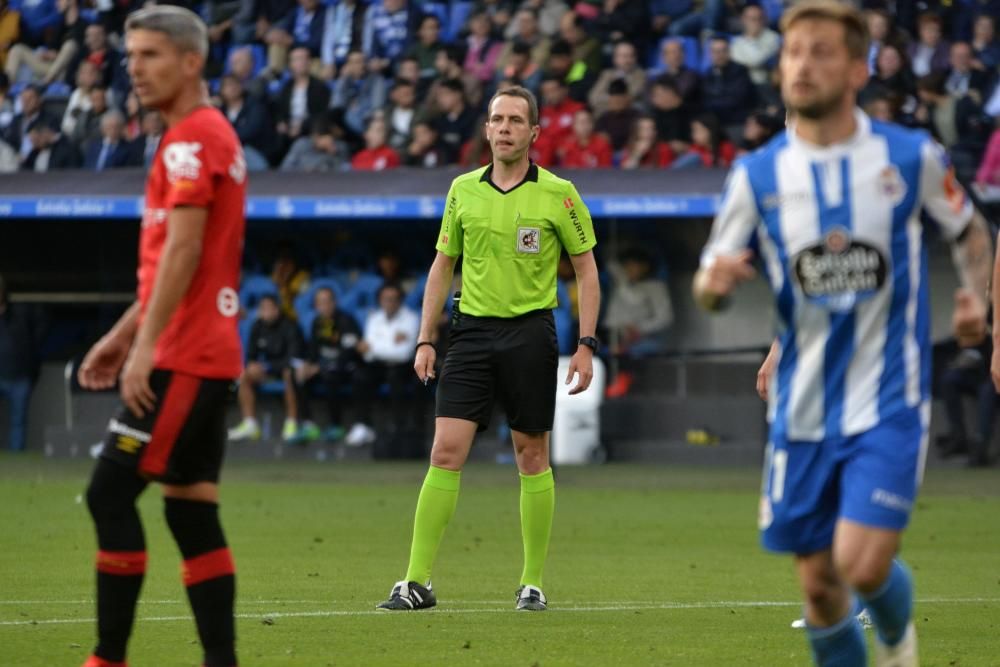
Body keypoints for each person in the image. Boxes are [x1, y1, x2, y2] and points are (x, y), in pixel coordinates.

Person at [693, 3, 993, 666]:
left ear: (858, 68)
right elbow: (709, 287)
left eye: (823, 51)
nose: (803, 63)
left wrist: (975, 297)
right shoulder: (757, 174)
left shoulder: (907, 156)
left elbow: (972, 231)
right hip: (800, 406)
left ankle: (895, 636)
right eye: (794, 50)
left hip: (889, 395)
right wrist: (715, 286)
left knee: (860, 562)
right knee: (820, 587)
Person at [376, 85, 601, 612]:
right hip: (471, 334)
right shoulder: (462, 191)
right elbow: (441, 265)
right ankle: (415, 582)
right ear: (486, 130)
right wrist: (426, 337)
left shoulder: (560, 193)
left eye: (515, 120)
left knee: (532, 455)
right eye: (497, 119)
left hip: (530, 334)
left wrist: (586, 344)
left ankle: (532, 583)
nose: (504, 128)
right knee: (445, 451)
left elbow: (588, 270)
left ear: (533, 133)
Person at [76, 7, 246, 667]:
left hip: (183, 356)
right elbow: (178, 262)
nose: (134, 69)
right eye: (129, 56)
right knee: (190, 511)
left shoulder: (189, 140)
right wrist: (124, 334)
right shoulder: (202, 135)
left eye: (149, 55)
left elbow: (183, 248)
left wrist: (143, 347)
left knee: (108, 492)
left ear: (191, 61)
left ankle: (107, 659)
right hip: (202, 351)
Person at [228, 294, 304, 443]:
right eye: (262, 308)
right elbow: (250, 355)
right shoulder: (257, 326)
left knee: (290, 373)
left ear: (277, 310)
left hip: (287, 369)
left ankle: (291, 424)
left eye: (268, 308)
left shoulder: (290, 326)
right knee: (244, 374)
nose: (265, 312)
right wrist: (252, 365)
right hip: (268, 371)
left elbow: (292, 358)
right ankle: (250, 424)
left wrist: (267, 367)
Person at [294, 286, 365, 443]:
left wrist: (320, 366)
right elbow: (313, 349)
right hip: (323, 366)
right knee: (299, 375)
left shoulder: (346, 320)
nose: (324, 306)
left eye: (327, 301)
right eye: (320, 302)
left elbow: (348, 351)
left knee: (330, 374)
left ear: (334, 302)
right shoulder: (317, 322)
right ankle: (308, 424)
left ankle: (336, 425)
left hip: (345, 368)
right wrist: (307, 365)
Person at [0, 273, 45, 452]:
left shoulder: (20, 313)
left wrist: (31, 350)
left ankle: (16, 458)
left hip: (19, 375)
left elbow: (43, 322)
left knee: (18, 421)